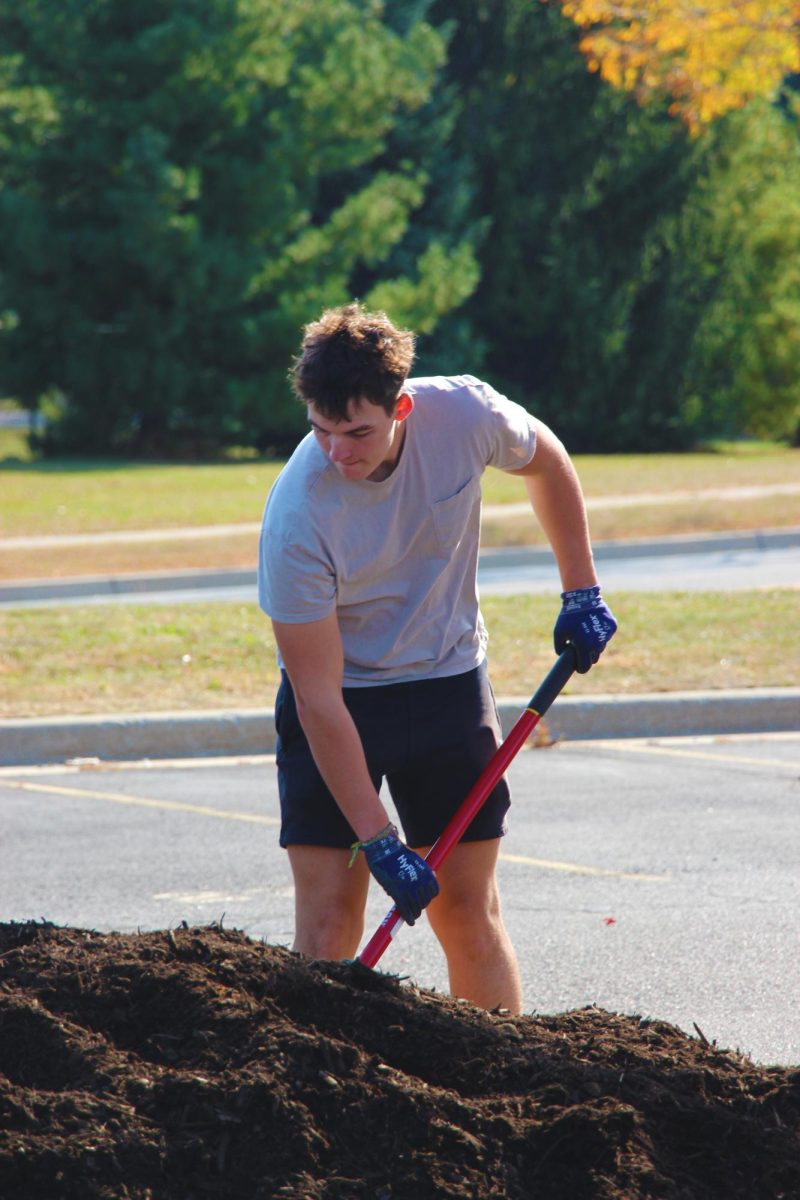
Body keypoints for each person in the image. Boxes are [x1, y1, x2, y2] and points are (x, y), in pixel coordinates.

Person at [258, 302, 617, 1014]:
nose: (339, 451)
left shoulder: (465, 417)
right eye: (321, 430)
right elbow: (318, 699)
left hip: (446, 684)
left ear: (403, 406)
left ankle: (505, 1084)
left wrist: (581, 589)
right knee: (330, 921)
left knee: (466, 912)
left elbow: (548, 463)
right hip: (344, 701)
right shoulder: (297, 515)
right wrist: (380, 841)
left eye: (357, 430)